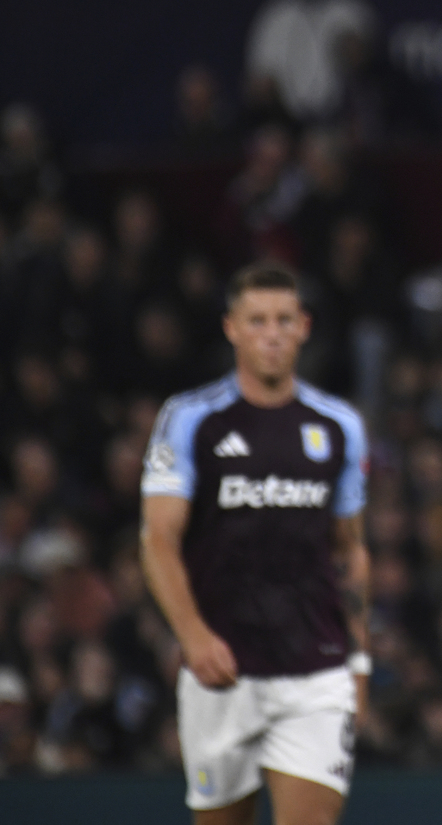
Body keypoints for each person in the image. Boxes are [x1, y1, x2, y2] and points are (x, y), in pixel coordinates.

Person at [139, 263, 371, 825]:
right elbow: (158, 540)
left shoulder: (338, 424)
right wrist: (193, 637)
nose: (272, 333)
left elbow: (350, 548)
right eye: (258, 320)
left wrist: (359, 657)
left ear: (305, 327)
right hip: (223, 670)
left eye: (284, 320)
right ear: (232, 329)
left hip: (314, 670)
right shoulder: (189, 420)